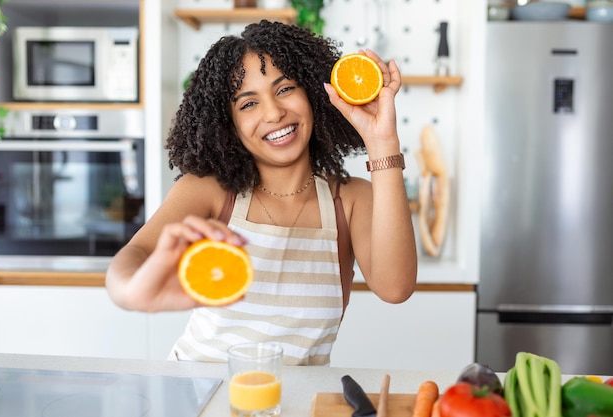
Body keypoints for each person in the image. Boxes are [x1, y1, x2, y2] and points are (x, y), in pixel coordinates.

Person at [105, 20, 417, 365]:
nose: (274, 112)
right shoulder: (209, 192)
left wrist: (382, 141)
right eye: (248, 104)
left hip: (298, 403)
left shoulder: (351, 200)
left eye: (284, 90)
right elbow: (129, 262)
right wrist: (134, 291)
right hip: (200, 394)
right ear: (228, 124)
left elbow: (395, 288)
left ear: (313, 94)